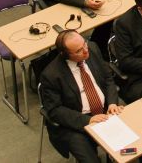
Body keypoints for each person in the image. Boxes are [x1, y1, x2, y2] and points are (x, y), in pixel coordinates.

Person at [39, 30, 122, 163]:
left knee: (138, 141)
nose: (85, 51)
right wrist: (87, 120)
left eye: (84, 44)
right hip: (76, 123)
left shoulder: (92, 48)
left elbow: (107, 78)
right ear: (64, 54)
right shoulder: (51, 75)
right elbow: (55, 110)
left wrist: (112, 102)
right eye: (78, 51)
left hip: (106, 111)